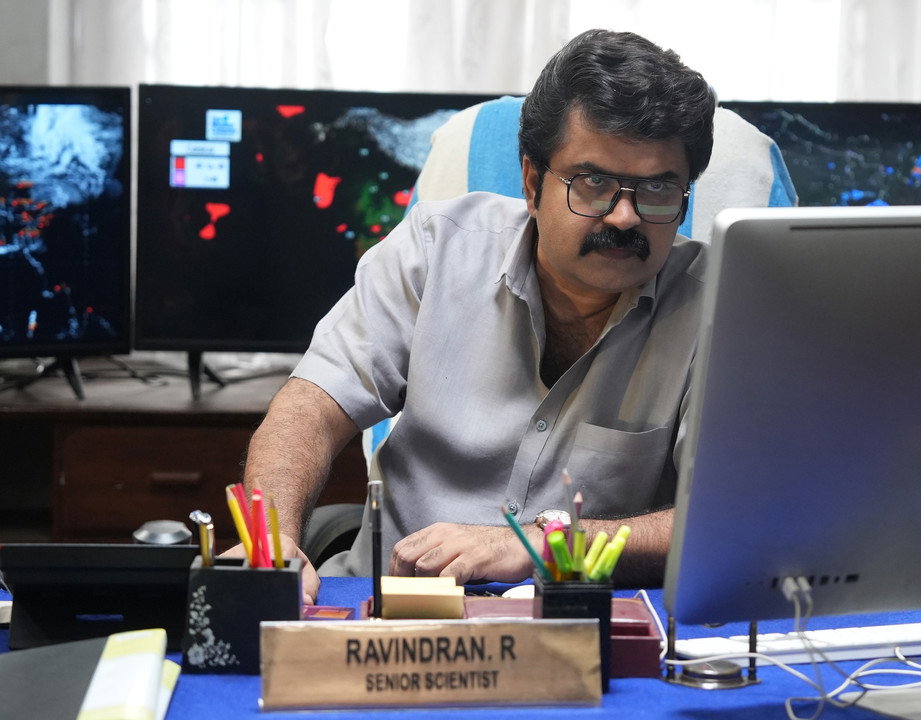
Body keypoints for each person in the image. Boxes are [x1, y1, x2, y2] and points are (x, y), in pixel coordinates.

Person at [237, 28, 717, 604]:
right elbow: (310, 408)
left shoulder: (717, 305)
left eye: (658, 189)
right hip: (390, 605)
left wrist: (546, 544)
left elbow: (728, 517)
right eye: (594, 183)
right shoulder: (435, 249)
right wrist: (272, 542)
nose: (624, 217)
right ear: (533, 182)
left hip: (580, 623)